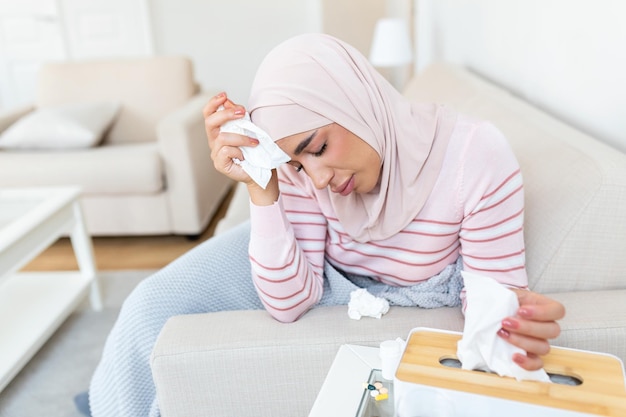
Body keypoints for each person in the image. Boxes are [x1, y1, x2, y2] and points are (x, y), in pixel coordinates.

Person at [77, 33, 565, 416]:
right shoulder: (302, 177)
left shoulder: (475, 157)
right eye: (295, 163)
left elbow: (491, 303)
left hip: (357, 285)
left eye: (317, 147)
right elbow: (289, 300)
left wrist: (507, 325)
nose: (319, 179)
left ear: (355, 101)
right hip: (300, 257)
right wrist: (264, 189)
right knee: (148, 305)